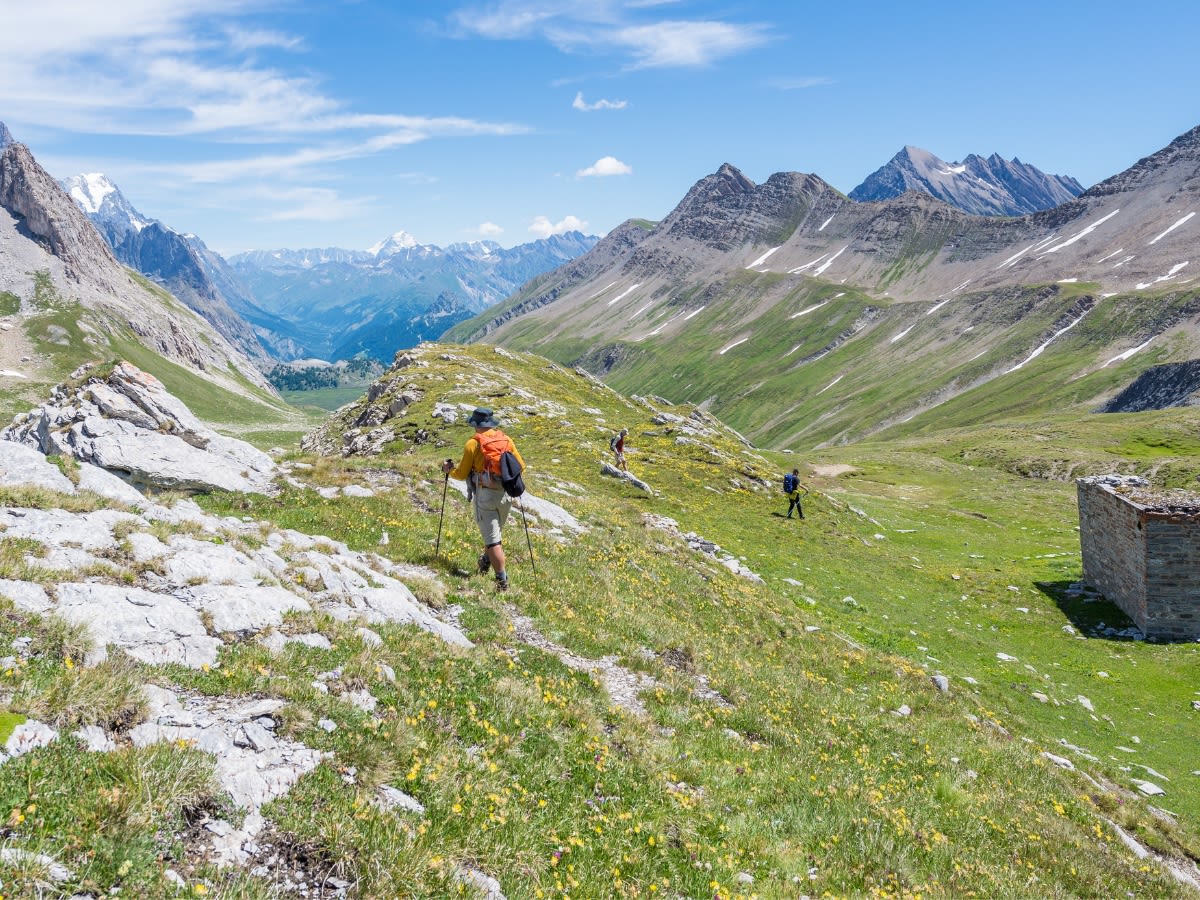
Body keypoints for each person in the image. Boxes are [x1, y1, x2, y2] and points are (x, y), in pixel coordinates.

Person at [442, 407, 525, 592]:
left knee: (493, 541)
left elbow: (462, 473)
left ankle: (502, 582)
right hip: (505, 495)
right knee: (494, 535)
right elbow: (520, 466)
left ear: (475, 425)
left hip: (485, 494)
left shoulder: (473, 444)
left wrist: (449, 470)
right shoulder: (506, 440)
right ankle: (485, 561)